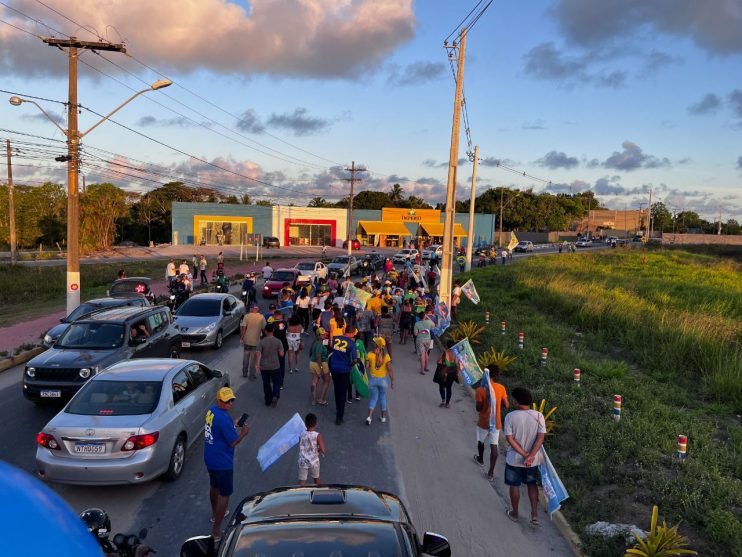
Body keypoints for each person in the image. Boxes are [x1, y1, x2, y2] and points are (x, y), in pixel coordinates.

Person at [204, 387, 250, 540]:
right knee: (225, 494)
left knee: (214, 486)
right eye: (226, 401)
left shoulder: (212, 411)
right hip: (222, 462)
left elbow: (219, 429)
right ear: (219, 401)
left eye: (232, 400)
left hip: (210, 457)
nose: (230, 403)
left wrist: (233, 424)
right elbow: (233, 443)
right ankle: (216, 530)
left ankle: (214, 514)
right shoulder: (224, 418)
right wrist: (242, 434)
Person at [504, 387, 546, 527]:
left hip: (514, 460)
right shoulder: (539, 416)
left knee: (514, 486)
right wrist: (531, 456)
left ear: (516, 401)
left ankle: (515, 513)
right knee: (532, 485)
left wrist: (524, 455)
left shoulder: (510, 417)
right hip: (533, 462)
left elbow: (510, 439)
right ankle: (534, 514)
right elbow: (541, 438)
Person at [475, 368, 510, 481]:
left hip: (484, 421)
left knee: (481, 441)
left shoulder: (481, 390)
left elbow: (478, 408)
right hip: (496, 422)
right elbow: (506, 405)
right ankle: (490, 473)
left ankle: (480, 459)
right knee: (494, 446)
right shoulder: (501, 388)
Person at [328, 323, 358, 425]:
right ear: (352, 333)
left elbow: (330, 348)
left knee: (336, 390)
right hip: (344, 370)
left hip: (334, 368)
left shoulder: (335, 338)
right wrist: (350, 365)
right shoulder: (351, 344)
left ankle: (337, 408)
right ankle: (339, 416)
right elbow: (355, 360)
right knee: (342, 393)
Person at [365, 337, 393, 425]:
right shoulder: (387, 357)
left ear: (376, 345)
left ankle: (369, 417)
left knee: (373, 399)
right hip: (383, 380)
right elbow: (390, 370)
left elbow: (366, 367)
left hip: (373, 380)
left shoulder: (370, 354)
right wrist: (392, 381)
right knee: (382, 397)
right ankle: (383, 417)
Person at [255, 323, 285, 407]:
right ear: (273, 331)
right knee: (277, 382)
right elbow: (282, 354)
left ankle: (268, 400)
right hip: (275, 365)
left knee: (266, 383)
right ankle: (275, 395)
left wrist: (257, 365)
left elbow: (257, 353)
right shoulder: (278, 341)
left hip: (264, 366)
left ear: (265, 331)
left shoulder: (262, 342)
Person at [298, 413, 326, 486]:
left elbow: (301, 444)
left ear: (305, 424)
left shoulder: (301, 433)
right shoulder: (317, 436)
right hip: (314, 462)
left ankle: (299, 494)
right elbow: (323, 450)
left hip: (303, 460)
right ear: (316, 424)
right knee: (316, 478)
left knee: (302, 481)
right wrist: (318, 450)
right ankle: (318, 492)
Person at [240, 304, 265, 380]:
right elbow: (264, 328)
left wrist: (242, 338)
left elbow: (243, 328)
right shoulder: (261, 317)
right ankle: (251, 375)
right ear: (257, 309)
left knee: (246, 356)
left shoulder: (247, 316)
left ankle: (244, 373)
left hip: (247, 340)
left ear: (251, 309)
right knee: (253, 359)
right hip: (256, 341)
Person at [309, 327, 331, 405]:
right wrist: (321, 368)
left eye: (324, 334)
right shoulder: (319, 344)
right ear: (318, 335)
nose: (324, 335)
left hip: (312, 363)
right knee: (327, 381)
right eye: (322, 334)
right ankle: (321, 399)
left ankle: (314, 400)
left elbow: (311, 354)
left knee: (314, 382)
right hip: (321, 363)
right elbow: (318, 357)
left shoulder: (315, 342)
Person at [437, 339, 460, 408]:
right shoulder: (455, 354)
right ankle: (447, 403)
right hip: (452, 373)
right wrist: (457, 373)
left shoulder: (445, 353)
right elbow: (457, 365)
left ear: (447, 346)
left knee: (441, 387)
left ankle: (443, 401)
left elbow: (438, 361)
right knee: (449, 388)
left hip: (444, 372)